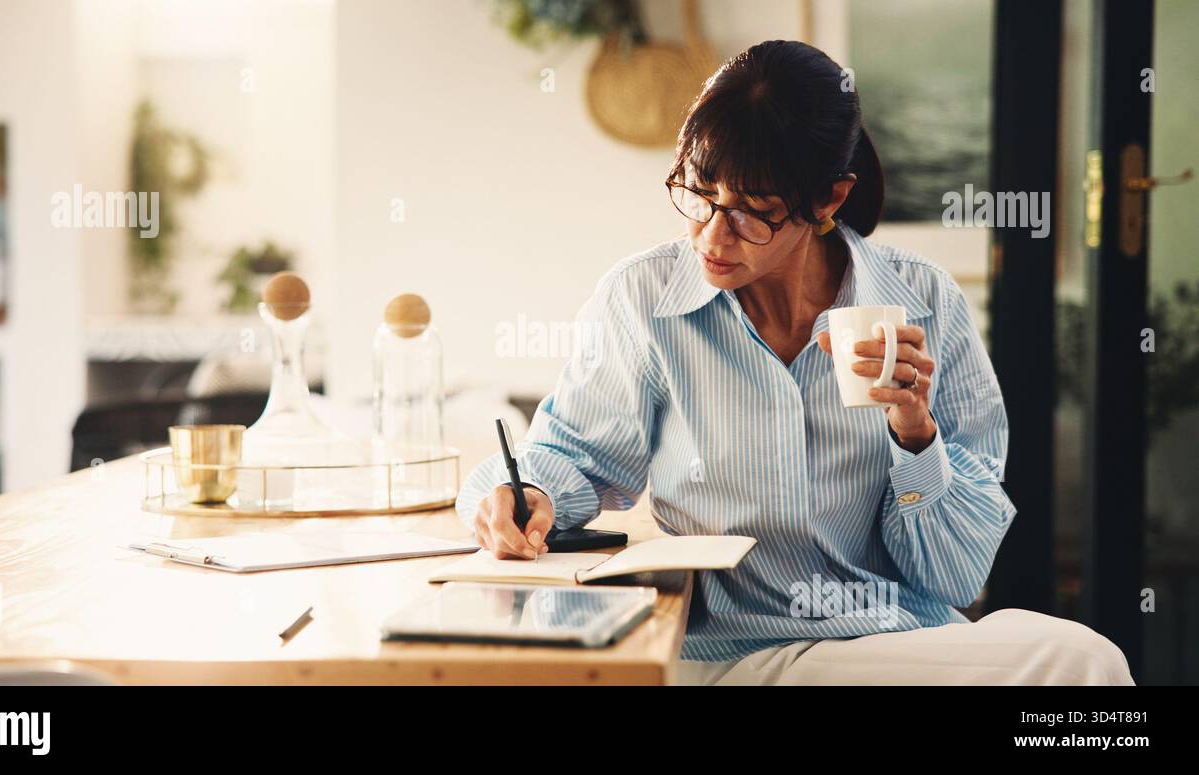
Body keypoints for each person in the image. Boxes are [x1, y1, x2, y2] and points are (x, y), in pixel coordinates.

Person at [456, 40, 1132, 685]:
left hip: (895, 643)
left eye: (753, 212)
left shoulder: (924, 301)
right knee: (1081, 665)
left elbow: (954, 574)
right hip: (733, 650)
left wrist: (915, 434)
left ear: (829, 200)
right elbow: (573, 454)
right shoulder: (644, 300)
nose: (713, 236)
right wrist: (529, 496)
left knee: (1075, 657)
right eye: (699, 192)